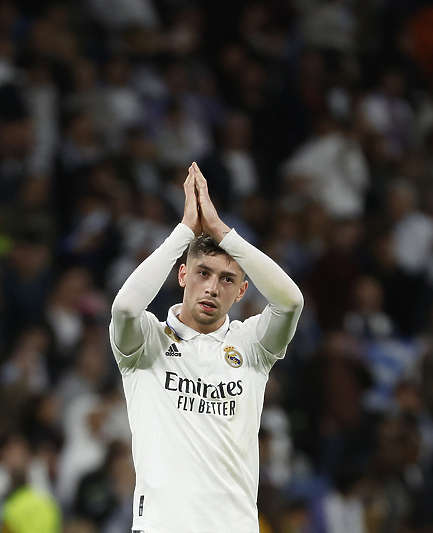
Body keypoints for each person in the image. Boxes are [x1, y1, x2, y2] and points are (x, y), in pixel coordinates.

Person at [109, 162, 304, 532]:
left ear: (242, 291)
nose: (213, 288)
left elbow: (291, 302)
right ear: (182, 274)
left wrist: (222, 232)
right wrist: (185, 232)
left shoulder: (251, 346)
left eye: (227, 279)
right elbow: (125, 307)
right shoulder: (147, 342)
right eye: (203, 273)